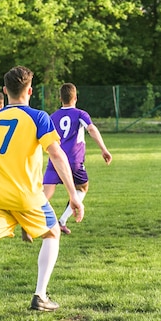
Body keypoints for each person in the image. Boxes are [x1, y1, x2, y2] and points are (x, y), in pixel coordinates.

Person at [0, 66, 84, 321]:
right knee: (53, 234)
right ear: (30, 91)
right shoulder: (39, 117)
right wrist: (73, 195)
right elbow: (57, 155)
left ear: (5, 91)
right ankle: (40, 295)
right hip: (28, 197)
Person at [42, 82, 112, 236]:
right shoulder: (80, 114)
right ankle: (61, 221)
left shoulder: (52, 116)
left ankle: (31, 221)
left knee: (44, 195)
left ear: (60, 98)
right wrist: (104, 149)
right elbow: (91, 129)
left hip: (54, 158)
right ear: (76, 98)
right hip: (73, 160)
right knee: (82, 188)